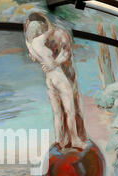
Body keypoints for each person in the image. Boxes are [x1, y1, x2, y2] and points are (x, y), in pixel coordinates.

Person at [24, 13, 87, 151]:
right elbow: (64, 50)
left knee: (57, 112)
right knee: (69, 110)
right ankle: (75, 140)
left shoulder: (30, 44)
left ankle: (59, 139)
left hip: (48, 79)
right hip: (58, 76)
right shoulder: (42, 39)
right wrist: (53, 62)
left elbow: (34, 58)